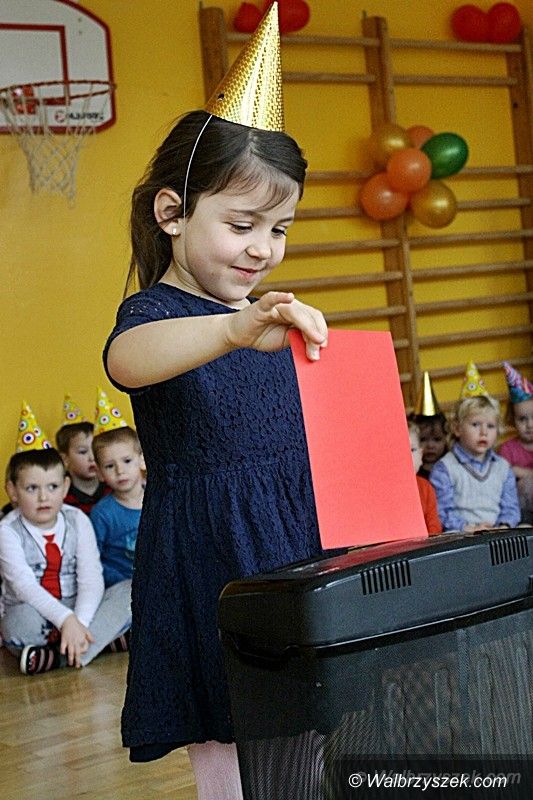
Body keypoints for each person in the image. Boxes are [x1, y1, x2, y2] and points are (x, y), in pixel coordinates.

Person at [103, 7, 328, 797]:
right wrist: (233, 329)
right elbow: (127, 360)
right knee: (230, 755)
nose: (263, 249)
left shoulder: (265, 319)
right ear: (171, 213)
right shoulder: (160, 317)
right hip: (211, 567)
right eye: (242, 225)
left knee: (305, 745)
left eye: (280, 228)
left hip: (293, 549)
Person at [0, 448, 132, 675]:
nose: (43, 497)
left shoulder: (78, 520)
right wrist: (65, 620)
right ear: (12, 491)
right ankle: (101, 643)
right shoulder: (7, 530)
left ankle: (58, 656)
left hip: (79, 606)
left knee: (132, 590)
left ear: (65, 487)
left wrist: (78, 622)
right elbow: (24, 586)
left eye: (52, 487)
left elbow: (91, 579)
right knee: (18, 625)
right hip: (34, 612)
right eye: (32, 488)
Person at [430, 395, 520, 532]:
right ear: (457, 429)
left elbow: (511, 507)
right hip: (462, 536)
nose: (484, 432)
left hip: (497, 533)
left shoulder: (503, 467)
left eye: (490, 426)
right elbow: (442, 511)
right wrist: (469, 528)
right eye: (475, 424)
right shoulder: (444, 468)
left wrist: (504, 526)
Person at [90, 427, 144, 587]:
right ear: (99, 473)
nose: (120, 471)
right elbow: (93, 559)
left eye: (127, 461)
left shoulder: (160, 500)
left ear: (142, 460)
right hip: (121, 585)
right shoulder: (102, 513)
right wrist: (121, 582)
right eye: (109, 466)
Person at [499, 362, 533, 525]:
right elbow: (503, 477)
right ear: (512, 420)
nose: (529, 425)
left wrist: (522, 472)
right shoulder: (508, 448)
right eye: (522, 419)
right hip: (521, 511)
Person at [56, 420, 110, 514]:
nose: (92, 457)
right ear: (65, 459)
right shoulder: (61, 497)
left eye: (96, 450)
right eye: (83, 452)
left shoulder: (112, 486)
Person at [408, 420, 442, 535]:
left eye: (412, 450)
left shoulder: (426, 488)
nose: (407, 456)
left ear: (420, 454)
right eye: (399, 450)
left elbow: (434, 528)